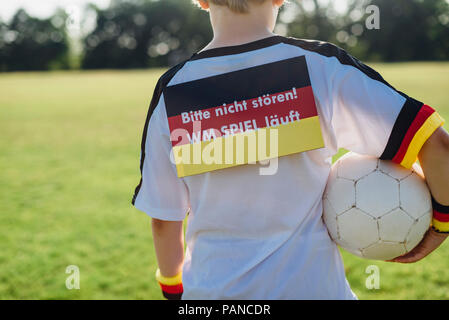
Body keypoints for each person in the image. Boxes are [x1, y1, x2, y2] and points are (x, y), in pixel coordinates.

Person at [132, 0, 449, 300]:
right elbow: (435, 143)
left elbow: (164, 220)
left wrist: (172, 286)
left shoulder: (174, 90)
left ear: (202, 0)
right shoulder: (321, 66)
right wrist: (440, 226)